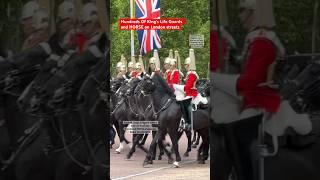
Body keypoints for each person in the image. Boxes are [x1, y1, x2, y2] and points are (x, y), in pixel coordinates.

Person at [212, 0, 285, 179]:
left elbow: (250, 82)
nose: (239, 15)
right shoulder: (255, 39)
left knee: (237, 133)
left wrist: (216, 79)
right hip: (250, 96)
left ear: (254, 12)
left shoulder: (262, 41)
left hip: (259, 99)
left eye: (242, 11)